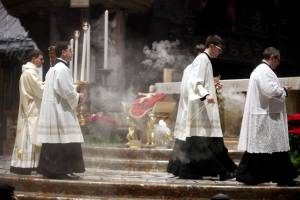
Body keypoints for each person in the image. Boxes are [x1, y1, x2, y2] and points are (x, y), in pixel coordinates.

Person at [167, 35, 237, 180]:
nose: (220, 52)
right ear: (211, 46)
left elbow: (200, 82)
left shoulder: (204, 61)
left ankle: (219, 170)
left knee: (203, 143)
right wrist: (206, 95)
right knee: (201, 143)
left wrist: (212, 86)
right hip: (199, 109)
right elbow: (195, 83)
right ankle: (222, 171)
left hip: (201, 107)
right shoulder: (202, 60)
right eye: (219, 48)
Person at [236, 47, 298, 186]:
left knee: (267, 149)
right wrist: (284, 91)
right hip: (265, 116)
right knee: (266, 148)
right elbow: (270, 90)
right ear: (271, 57)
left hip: (265, 114)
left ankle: (279, 176)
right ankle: (247, 174)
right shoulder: (264, 71)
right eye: (278, 59)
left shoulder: (262, 70)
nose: (279, 62)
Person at [36, 41, 85, 180]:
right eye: (70, 50)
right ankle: (63, 170)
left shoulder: (53, 68)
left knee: (53, 141)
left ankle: (49, 169)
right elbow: (66, 91)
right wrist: (78, 96)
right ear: (63, 52)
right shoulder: (62, 69)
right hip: (61, 111)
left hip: (54, 110)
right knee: (65, 138)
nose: (72, 53)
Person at [10, 49, 44, 175]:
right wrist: (51, 85)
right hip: (31, 110)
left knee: (27, 136)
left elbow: (37, 86)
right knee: (30, 136)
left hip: (29, 109)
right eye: (40, 58)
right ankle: (26, 165)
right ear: (33, 58)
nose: (42, 61)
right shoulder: (30, 73)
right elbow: (39, 90)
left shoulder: (28, 72)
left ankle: (24, 163)